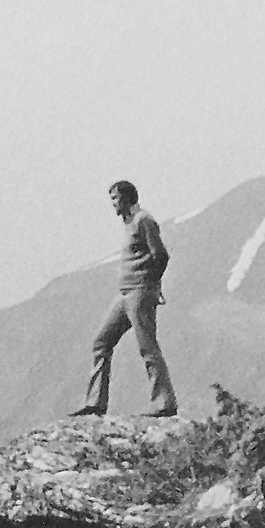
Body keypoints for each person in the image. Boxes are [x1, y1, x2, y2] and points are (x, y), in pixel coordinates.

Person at [74, 178, 178, 418]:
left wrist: (152, 284)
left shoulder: (143, 221)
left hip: (140, 292)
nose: (113, 203)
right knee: (101, 342)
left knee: (147, 347)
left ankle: (164, 402)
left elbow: (161, 255)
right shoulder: (129, 223)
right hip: (125, 294)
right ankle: (95, 402)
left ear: (127, 198)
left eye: (115, 198)